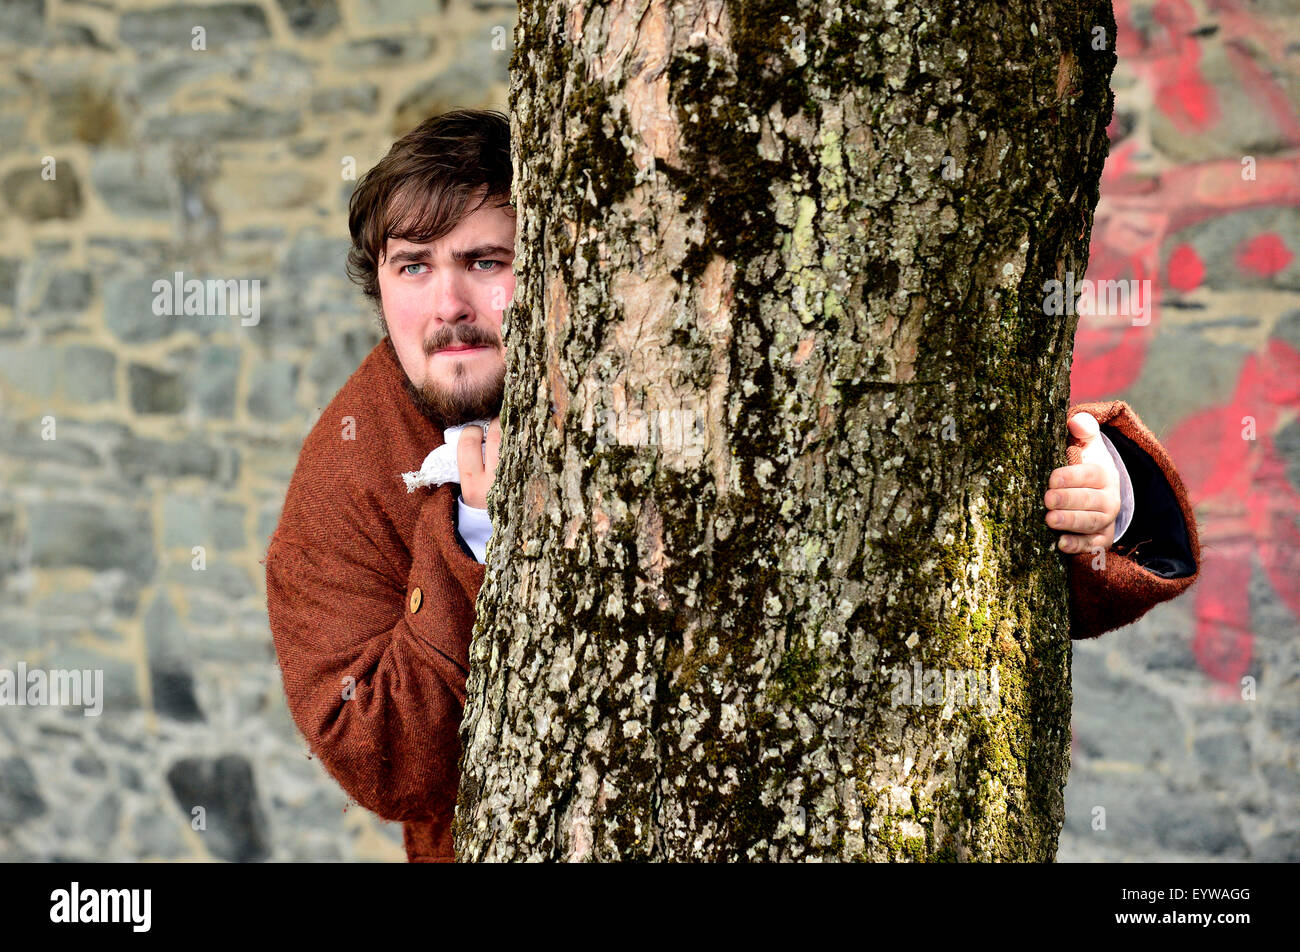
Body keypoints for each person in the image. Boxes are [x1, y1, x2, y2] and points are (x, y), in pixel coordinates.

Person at [263, 109, 1200, 862]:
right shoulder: (345, 471)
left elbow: (907, 531)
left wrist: (1101, 500)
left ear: (555, 266)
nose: (448, 305)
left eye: (486, 262)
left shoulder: (659, 350)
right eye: (412, 267)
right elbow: (382, 758)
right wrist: (471, 536)